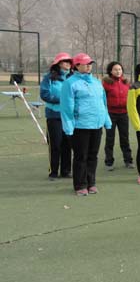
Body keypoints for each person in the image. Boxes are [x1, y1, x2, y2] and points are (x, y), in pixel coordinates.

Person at [60, 53, 111, 196]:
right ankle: (80, 185)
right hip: (80, 126)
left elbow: (103, 102)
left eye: (90, 64)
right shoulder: (70, 83)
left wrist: (106, 120)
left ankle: (91, 183)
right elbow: (66, 106)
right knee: (80, 156)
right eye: (85, 64)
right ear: (76, 66)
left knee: (93, 156)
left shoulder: (96, 82)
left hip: (96, 125)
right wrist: (69, 126)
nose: (89, 66)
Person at [40, 52, 73, 181]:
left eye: (69, 62)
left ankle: (66, 171)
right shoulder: (49, 77)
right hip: (54, 116)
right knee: (55, 144)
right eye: (65, 61)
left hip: (69, 116)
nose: (68, 64)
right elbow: (45, 94)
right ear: (58, 63)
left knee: (67, 145)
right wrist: (62, 99)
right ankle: (53, 172)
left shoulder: (72, 77)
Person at [102, 61, 133, 171]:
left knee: (125, 138)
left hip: (124, 114)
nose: (118, 71)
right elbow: (102, 99)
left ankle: (128, 160)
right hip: (110, 114)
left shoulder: (126, 83)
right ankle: (109, 162)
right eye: (115, 69)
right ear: (110, 71)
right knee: (110, 139)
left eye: (119, 69)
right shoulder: (106, 83)